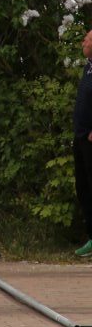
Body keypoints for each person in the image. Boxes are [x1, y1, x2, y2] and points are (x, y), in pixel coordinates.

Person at [72, 26, 92, 258]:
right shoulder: (88, 67)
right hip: (80, 137)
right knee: (83, 187)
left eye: (86, 40)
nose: (83, 43)